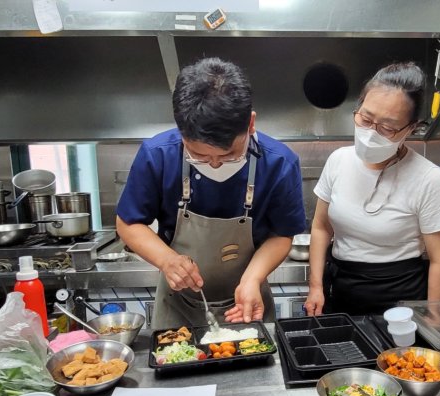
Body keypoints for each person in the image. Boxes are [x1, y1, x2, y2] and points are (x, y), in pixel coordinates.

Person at [116, 57, 306, 329]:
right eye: (199, 156)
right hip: (177, 306)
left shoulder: (279, 163)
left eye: (229, 154)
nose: (215, 164)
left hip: (247, 300)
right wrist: (167, 260)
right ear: (182, 133)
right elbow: (128, 223)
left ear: (251, 124)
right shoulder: (158, 155)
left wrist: (252, 278)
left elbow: (281, 234)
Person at [304, 62, 440, 316]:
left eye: (387, 127)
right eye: (365, 118)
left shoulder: (428, 179)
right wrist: (316, 286)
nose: (371, 133)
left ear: (411, 128)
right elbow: (321, 227)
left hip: (400, 300)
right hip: (341, 291)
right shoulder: (338, 160)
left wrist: (433, 322)